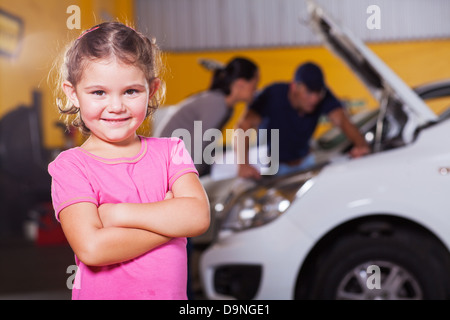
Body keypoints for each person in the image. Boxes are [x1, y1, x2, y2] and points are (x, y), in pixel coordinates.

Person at [48, 22, 210, 300]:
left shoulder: (172, 151)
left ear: (152, 89)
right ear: (73, 93)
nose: (116, 106)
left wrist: (118, 215)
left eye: (131, 91)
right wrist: (170, 223)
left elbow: (197, 217)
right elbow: (93, 249)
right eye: (99, 92)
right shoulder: (71, 166)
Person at [237, 61, 370, 179]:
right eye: (309, 92)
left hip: (307, 162)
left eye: (318, 93)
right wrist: (243, 165)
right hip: (277, 168)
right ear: (295, 87)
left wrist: (360, 145)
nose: (314, 99)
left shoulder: (323, 96)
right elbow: (244, 126)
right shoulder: (273, 95)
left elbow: (342, 120)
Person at [154, 57, 259, 177]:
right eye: (254, 85)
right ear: (241, 84)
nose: (255, 91)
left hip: (173, 161)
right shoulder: (217, 104)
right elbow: (197, 147)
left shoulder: (225, 106)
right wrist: (191, 180)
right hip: (165, 164)